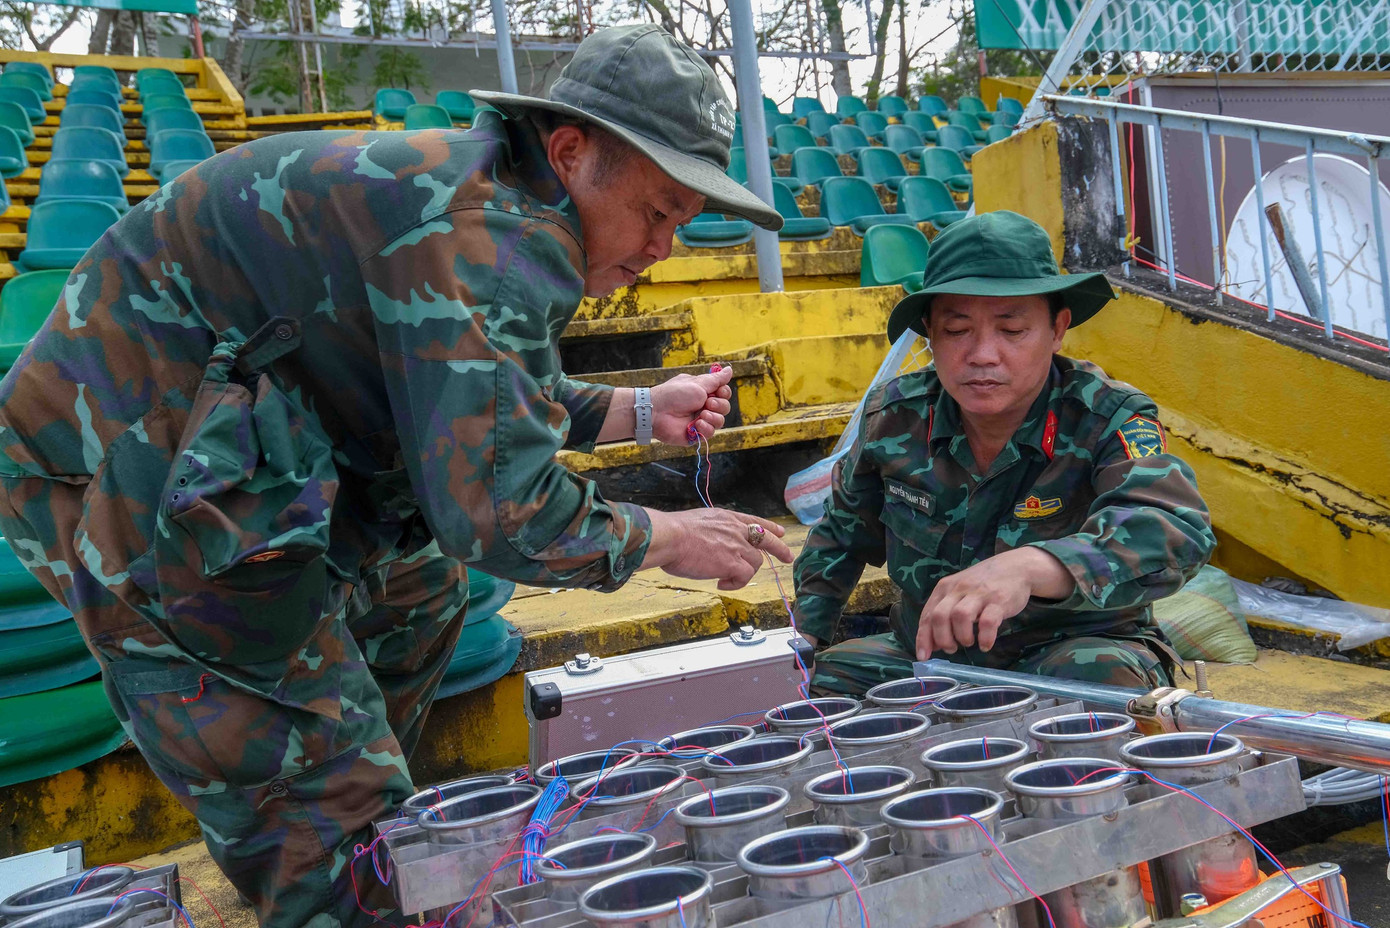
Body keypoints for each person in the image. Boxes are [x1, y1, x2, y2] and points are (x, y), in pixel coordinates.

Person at [0, 25, 791, 928]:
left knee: (422, 591)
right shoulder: (491, 235)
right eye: (659, 211)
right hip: (130, 482)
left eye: (684, 222)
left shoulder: (497, 201)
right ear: (572, 153)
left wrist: (640, 412)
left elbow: (478, 386)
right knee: (333, 820)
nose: (666, 246)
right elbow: (503, 511)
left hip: (238, 449)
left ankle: (355, 788)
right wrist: (670, 536)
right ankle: (327, 838)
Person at [793, 211, 1216, 696]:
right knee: (810, 684)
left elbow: (1174, 530)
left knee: (1096, 678)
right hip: (930, 657)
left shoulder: (1108, 417)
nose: (983, 355)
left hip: (1069, 651)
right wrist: (801, 636)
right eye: (957, 331)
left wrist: (1033, 566)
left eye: (1012, 330)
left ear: (1057, 330)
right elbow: (841, 538)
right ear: (930, 333)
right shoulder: (895, 417)